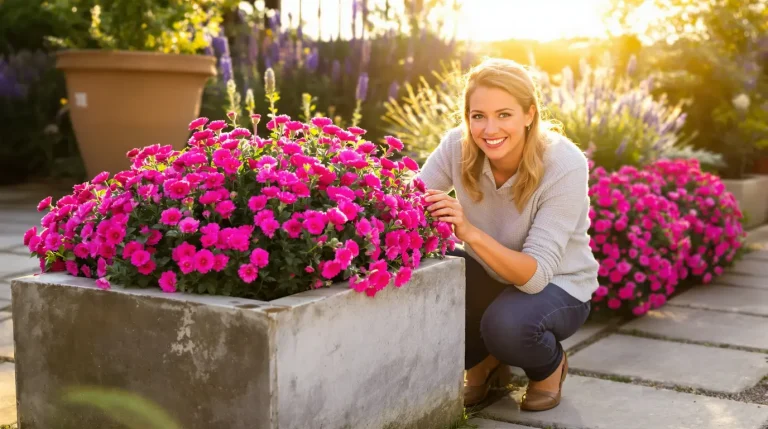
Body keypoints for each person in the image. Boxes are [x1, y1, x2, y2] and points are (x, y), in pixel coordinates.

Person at [415, 58, 599, 411]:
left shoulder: (564, 163)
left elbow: (535, 277)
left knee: (508, 326)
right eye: (478, 116)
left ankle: (549, 369)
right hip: (491, 273)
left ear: (529, 114)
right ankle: (485, 363)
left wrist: (468, 231)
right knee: (430, 274)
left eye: (504, 114)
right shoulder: (457, 146)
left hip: (557, 284)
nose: (489, 129)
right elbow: (408, 199)